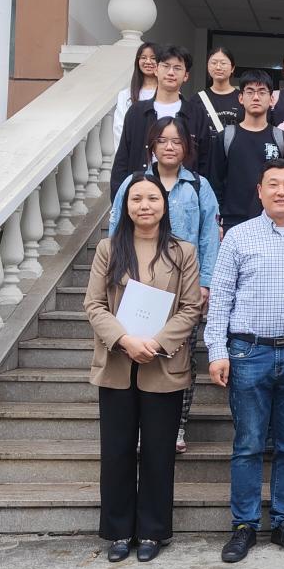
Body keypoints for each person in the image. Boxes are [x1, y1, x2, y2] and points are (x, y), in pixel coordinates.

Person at [206, 159, 284, 564]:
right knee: (247, 444)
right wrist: (217, 351)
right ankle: (244, 525)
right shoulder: (238, 237)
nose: (282, 191)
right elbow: (221, 298)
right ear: (259, 191)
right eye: (273, 184)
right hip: (249, 353)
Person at [84, 172, 201, 563]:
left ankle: (152, 531)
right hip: (117, 363)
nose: (144, 205)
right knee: (116, 450)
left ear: (164, 205)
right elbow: (94, 304)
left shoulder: (183, 252)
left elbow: (190, 307)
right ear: (125, 206)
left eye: (152, 198)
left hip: (162, 364)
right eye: (136, 199)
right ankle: (119, 531)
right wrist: (125, 340)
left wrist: (157, 342)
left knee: (158, 451)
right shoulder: (108, 249)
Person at [108, 117, 220, 455]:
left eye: (176, 141)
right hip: (138, 285)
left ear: (187, 146)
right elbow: (116, 229)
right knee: (135, 352)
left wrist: (206, 283)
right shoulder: (134, 182)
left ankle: (177, 424)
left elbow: (209, 236)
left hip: (184, 286)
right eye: (162, 140)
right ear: (152, 145)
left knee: (181, 355)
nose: (169, 147)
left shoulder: (198, 185)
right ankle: (138, 425)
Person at [111, 44, 211, 197]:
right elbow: (122, 161)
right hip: (142, 195)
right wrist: (118, 201)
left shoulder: (196, 114)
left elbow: (206, 162)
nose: (171, 72)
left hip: (184, 196)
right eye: (166, 66)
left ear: (186, 76)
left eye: (177, 68)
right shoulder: (137, 112)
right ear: (156, 70)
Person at [208, 70, 284, 232]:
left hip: (272, 220)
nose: (256, 97)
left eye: (262, 92)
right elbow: (215, 182)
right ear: (240, 98)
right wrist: (217, 221)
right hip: (232, 222)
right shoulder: (226, 137)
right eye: (250, 92)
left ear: (271, 99)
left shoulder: (281, 138)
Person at [113, 42, 157, 151]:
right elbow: (119, 127)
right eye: (143, 57)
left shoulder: (169, 93)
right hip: (132, 154)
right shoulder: (125, 95)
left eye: (153, 58)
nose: (148, 62)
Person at [194, 46, 243, 143]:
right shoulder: (197, 100)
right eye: (213, 63)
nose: (218, 67)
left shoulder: (242, 98)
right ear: (208, 67)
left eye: (223, 63)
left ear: (232, 68)